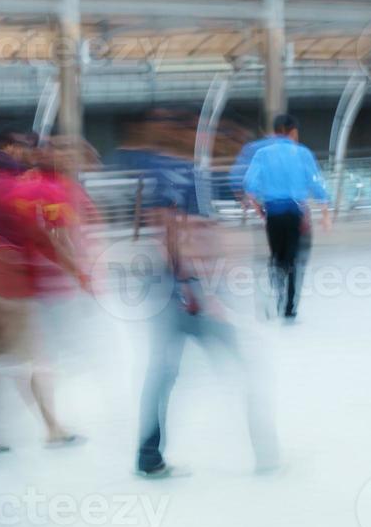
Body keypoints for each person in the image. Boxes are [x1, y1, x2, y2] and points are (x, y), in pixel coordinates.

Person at [129, 117, 280, 478]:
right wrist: (193, 287)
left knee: (164, 371)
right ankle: (266, 450)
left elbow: (168, 226)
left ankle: (149, 456)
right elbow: (174, 230)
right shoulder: (185, 174)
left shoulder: (175, 172)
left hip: (179, 287)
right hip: (188, 290)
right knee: (243, 366)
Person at [0, 131, 89, 453]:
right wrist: (75, 270)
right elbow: (37, 235)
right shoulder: (13, 189)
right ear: (10, 148)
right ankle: (52, 429)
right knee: (32, 359)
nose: (31, 155)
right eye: (26, 149)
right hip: (9, 286)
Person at [242, 114, 331, 321]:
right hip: (295, 213)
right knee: (293, 259)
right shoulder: (303, 153)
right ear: (292, 131)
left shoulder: (262, 154)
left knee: (277, 255)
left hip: (272, 214)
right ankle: (290, 307)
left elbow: (249, 187)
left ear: (275, 131)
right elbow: (318, 185)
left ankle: (277, 284)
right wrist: (326, 215)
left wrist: (259, 210)